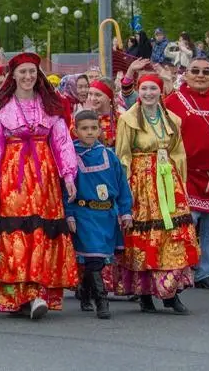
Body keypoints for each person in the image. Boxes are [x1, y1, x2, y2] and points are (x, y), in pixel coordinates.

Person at [0, 52, 78, 319]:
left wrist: (69, 175)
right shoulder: (1, 110)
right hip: (13, 178)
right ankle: (18, 295)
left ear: (39, 77)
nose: (27, 77)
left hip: (44, 178)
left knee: (42, 233)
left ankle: (38, 293)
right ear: (13, 76)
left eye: (32, 73)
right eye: (22, 72)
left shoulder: (49, 106)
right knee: (17, 234)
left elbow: (61, 143)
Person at [115, 74, 199, 313]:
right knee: (145, 235)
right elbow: (123, 154)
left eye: (153, 88)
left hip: (167, 179)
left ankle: (171, 292)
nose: (148, 93)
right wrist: (126, 186)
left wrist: (179, 182)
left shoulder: (172, 120)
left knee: (172, 233)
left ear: (160, 92)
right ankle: (144, 294)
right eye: (144, 88)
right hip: (141, 181)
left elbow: (179, 153)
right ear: (138, 91)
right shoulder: (129, 119)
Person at [67, 110, 132, 320]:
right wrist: (69, 215)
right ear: (75, 130)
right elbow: (63, 189)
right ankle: (101, 301)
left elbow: (122, 186)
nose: (89, 132)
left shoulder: (109, 155)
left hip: (107, 215)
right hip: (84, 213)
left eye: (94, 128)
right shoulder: (70, 156)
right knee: (94, 258)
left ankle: (85, 292)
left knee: (98, 259)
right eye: (84, 129)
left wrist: (126, 211)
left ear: (100, 129)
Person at [164, 57, 209, 290]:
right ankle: (179, 270)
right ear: (187, 73)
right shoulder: (175, 100)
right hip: (187, 173)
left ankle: (206, 272)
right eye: (195, 71)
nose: (201, 75)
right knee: (186, 223)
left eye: (206, 71)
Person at [87, 78, 120, 147]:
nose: (92, 98)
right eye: (90, 94)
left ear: (109, 97)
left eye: (98, 95)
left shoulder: (120, 118)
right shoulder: (83, 118)